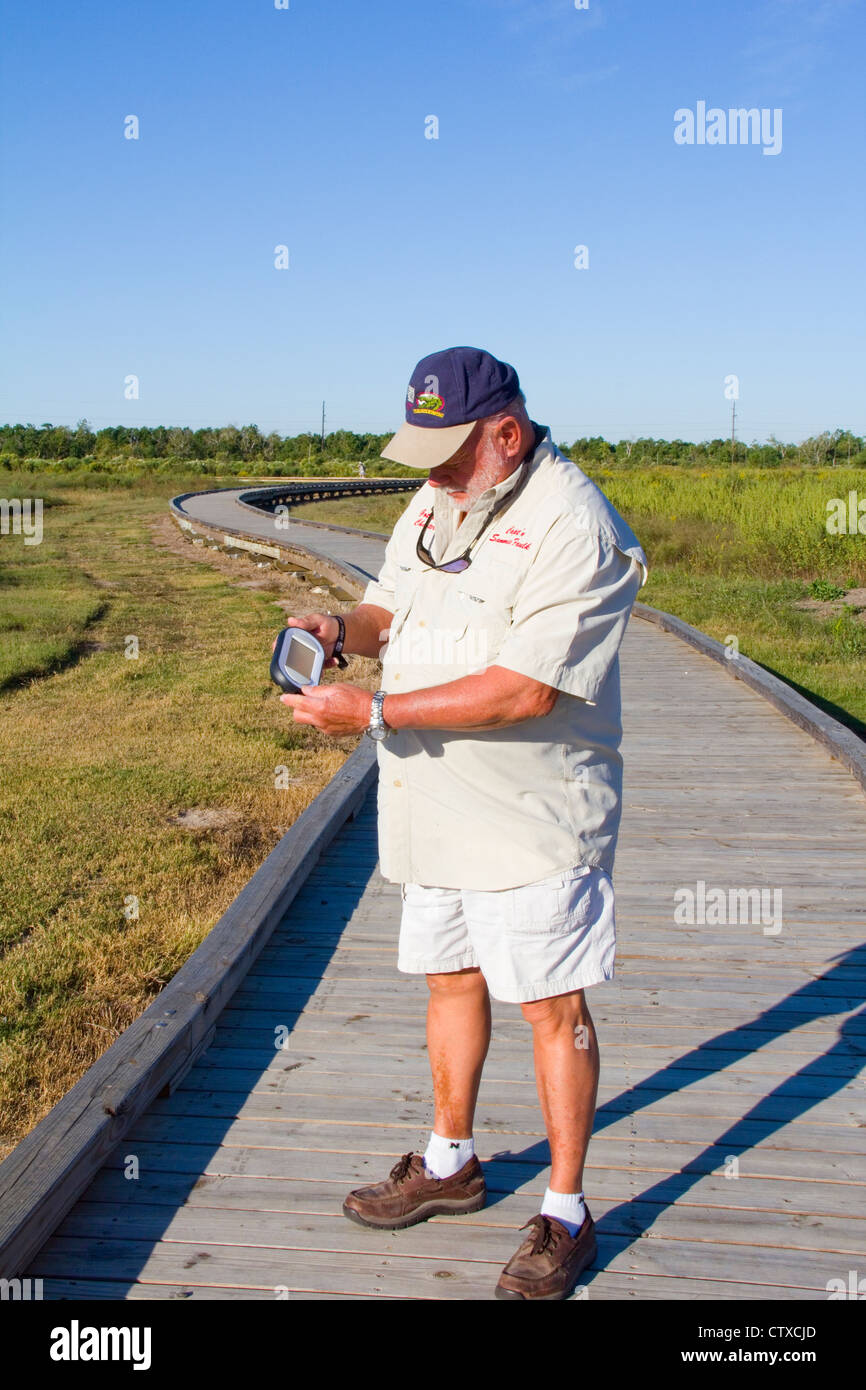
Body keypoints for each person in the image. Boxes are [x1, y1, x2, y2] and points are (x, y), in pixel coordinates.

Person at [280, 345, 648, 1300]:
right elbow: (387, 608)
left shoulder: (576, 524)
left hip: (532, 813)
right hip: (432, 801)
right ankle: (452, 1163)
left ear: (506, 434)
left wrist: (373, 715)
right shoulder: (439, 497)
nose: (430, 472)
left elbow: (526, 689)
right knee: (449, 978)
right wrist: (335, 630)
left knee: (552, 1009)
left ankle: (565, 1213)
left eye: (445, 453)